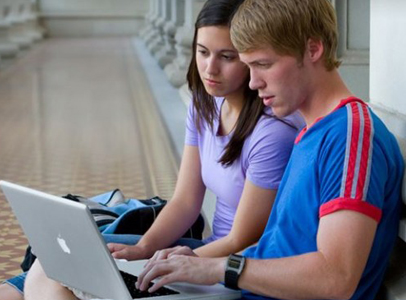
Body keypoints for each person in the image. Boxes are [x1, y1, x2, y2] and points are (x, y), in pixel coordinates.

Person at [0, 1, 303, 299]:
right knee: (52, 267)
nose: (210, 69)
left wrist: (181, 260)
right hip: (198, 252)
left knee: (47, 276)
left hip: (227, 269)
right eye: (202, 52)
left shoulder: (271, 134)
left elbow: (243, 240)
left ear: (249, 58)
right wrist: (143, 246)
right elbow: (186, 201)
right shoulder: (205, 105)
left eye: (226, 57)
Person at [130, 0, 405, 299]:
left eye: (263, 64)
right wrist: (196, 262)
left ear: (313, 49)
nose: (253, 82)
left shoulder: (351, 136)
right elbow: (280, 247)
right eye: (248, 66)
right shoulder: (311, 131)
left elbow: (336, 278)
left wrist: (220, 268)